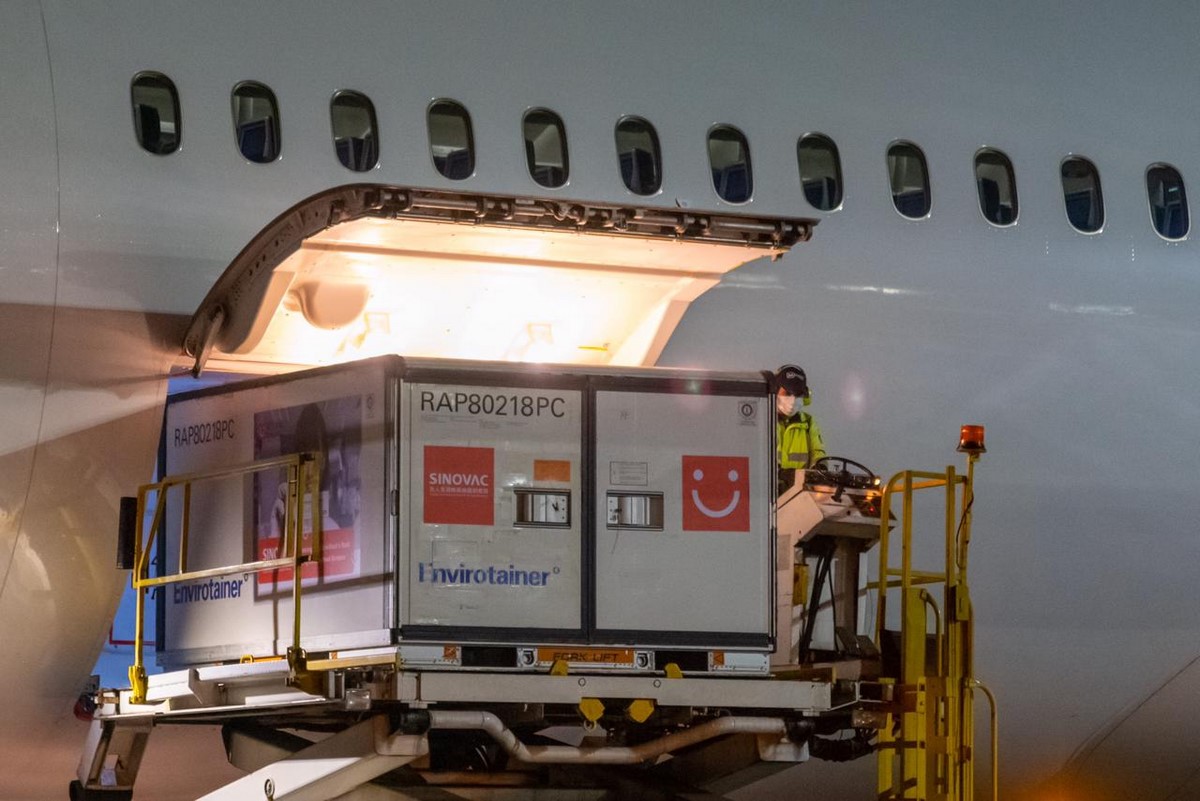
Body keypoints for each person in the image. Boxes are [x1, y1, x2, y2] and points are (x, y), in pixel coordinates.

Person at [773, 364, 826, 495]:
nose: (792, 400)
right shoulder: (763, 420)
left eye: (797, 395)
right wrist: (780, 474)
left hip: (798, 493)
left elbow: (818, 452)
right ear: (774, 390)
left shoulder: (808, 422)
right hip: (768, 491)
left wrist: (820, 468)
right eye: (787, 393)